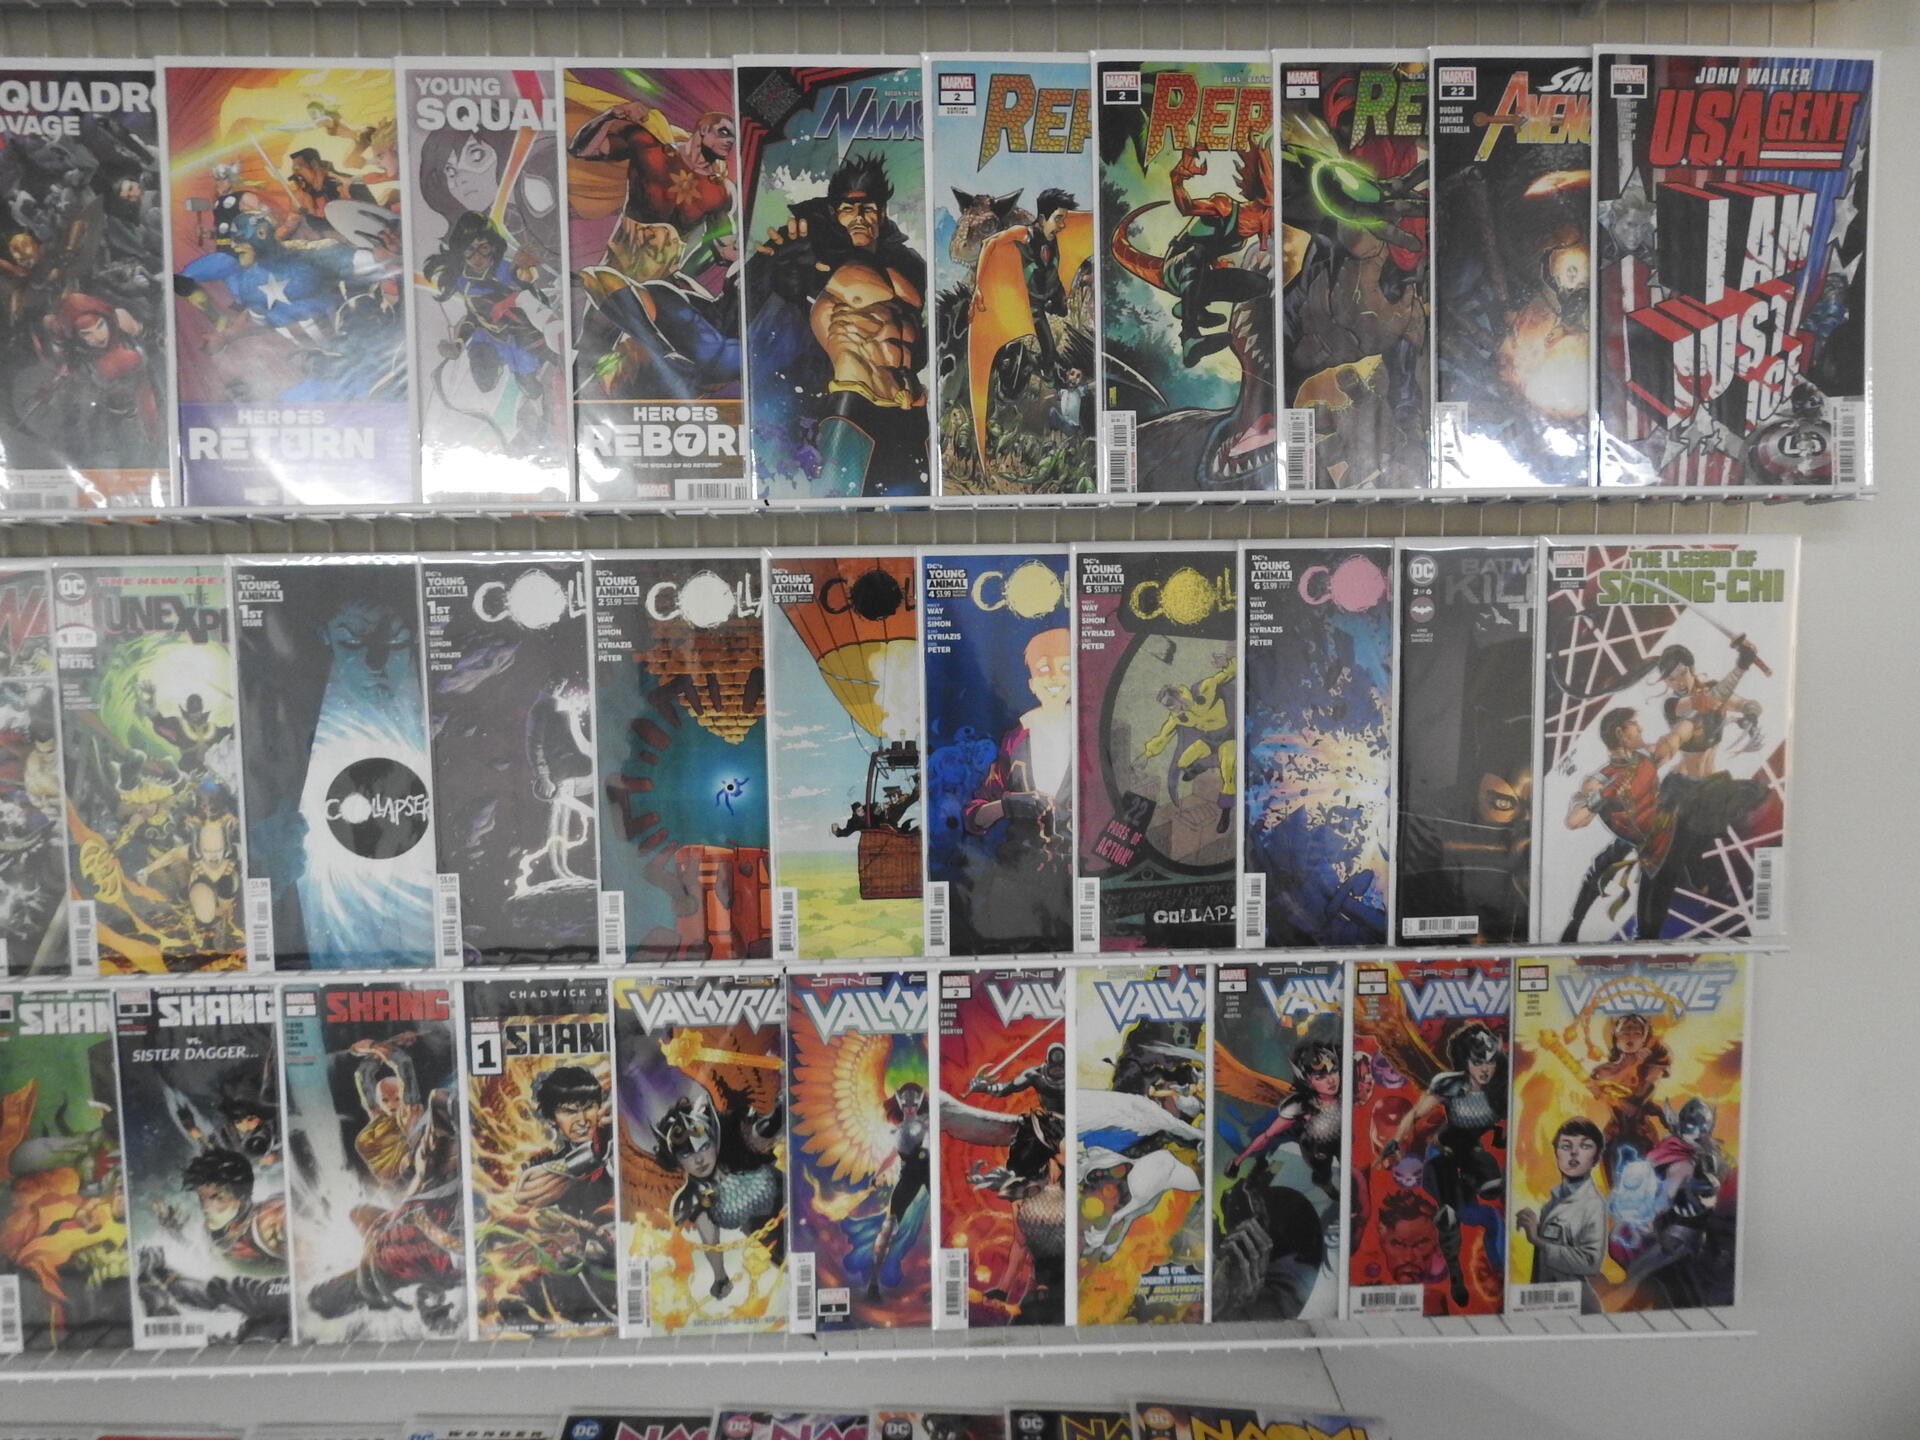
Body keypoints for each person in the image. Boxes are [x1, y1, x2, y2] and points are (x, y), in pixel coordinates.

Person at [752, 151, 928, 497]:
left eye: (869, 208)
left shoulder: (908, 267)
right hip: (855, 400)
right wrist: (791, 268)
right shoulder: (814, 254)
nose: (859, 217)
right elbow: (784, 285)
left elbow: (918, 344)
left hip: (911, 406)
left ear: (882, 213)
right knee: (838, 510)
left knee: (918, 513)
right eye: (848, 208)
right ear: (834, 214)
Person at [1516, 1117, 1608, 1314]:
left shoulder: (1592, 1204)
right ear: (1556, 1153)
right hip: (1547, 1303)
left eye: (1585, 1146)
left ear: (1596, 1157)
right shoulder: (1553, 1201)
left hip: (1578, 1308)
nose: (1574, 1152)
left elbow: (1591, 1262)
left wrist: (1537, 1240)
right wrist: (1533, 1224)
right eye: (1566, 1146)